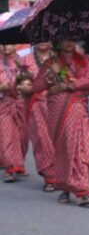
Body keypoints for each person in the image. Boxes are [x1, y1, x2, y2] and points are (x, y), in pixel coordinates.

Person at [33, 39, 89, 206]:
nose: (69, 42)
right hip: (57, 109)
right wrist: (51, 75)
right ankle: (67, 187)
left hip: (78, 107)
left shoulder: (86, 59)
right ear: (57, 42)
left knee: (82, 149)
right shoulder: (50, 62)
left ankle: (82, 189)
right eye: (64, 38)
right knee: (64, 148)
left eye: (72, 38)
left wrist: (68, 85)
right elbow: (37, 86)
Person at [18, 42, 56, 190]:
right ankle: (50, 176)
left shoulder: (60, 59)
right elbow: (18, 82)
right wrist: (23, 87)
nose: (43, 41)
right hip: (36, 104)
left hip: (58, 104)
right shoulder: (25, 60)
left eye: (47, 38)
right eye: (39, 38)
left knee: (60, 140)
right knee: (41, 139)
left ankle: (64, 174)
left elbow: (69, 79)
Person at [0, 44, 28, 182]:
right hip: (4, 103)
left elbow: (30, 80)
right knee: (6, 137)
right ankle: (10, 168)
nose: (5, 47)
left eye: (8, 43)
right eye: (3, 44)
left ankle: (19, 164)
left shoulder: (23, 62)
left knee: (22, 137)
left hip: (22, 103)